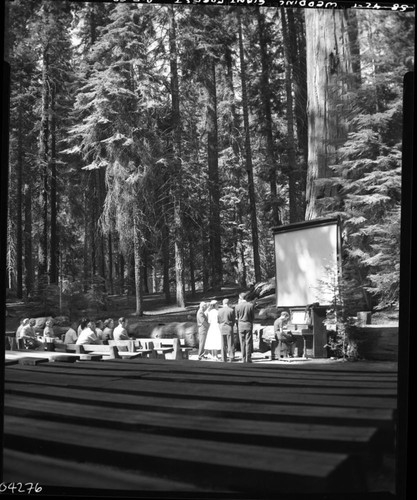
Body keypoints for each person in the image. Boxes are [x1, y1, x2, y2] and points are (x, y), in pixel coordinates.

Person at [234, 292, 255, 363]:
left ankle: (243, 358)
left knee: (242, 342)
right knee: (248, 342)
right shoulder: (250, 305)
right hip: (248, 324)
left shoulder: (237, 306)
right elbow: (253, 317)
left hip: (241, 325)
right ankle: (248, 358)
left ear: (240, 298)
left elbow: (236, 317)